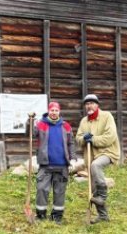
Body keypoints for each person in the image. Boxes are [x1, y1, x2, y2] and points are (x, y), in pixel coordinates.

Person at [76, 94, 120, 224]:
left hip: (108, 152)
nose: (89, 105)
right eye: (87, 103)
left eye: (92, 103)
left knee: (95, 166)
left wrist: (93, 139)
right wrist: (84, 138)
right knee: (93, 186)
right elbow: (78, 138)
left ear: (97, 105)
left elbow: (110, 136)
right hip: (91, 156)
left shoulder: (107, 116)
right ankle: (103, 216)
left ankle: (102, 195)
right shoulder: (84, 121)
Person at [33, 101, 77, 224]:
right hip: (45, 165)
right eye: (52, 110)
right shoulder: (41, 124)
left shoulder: (66, 126)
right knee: (42, 189)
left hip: (62, 165)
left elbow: (71, 143)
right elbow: (31, 134)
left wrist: (72, 158)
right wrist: (30, 122)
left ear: (59, 111)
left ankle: (57, 216)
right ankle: (41, 215)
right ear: (49, 111)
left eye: (56, 110)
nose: (54, 112)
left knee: (60, 191)